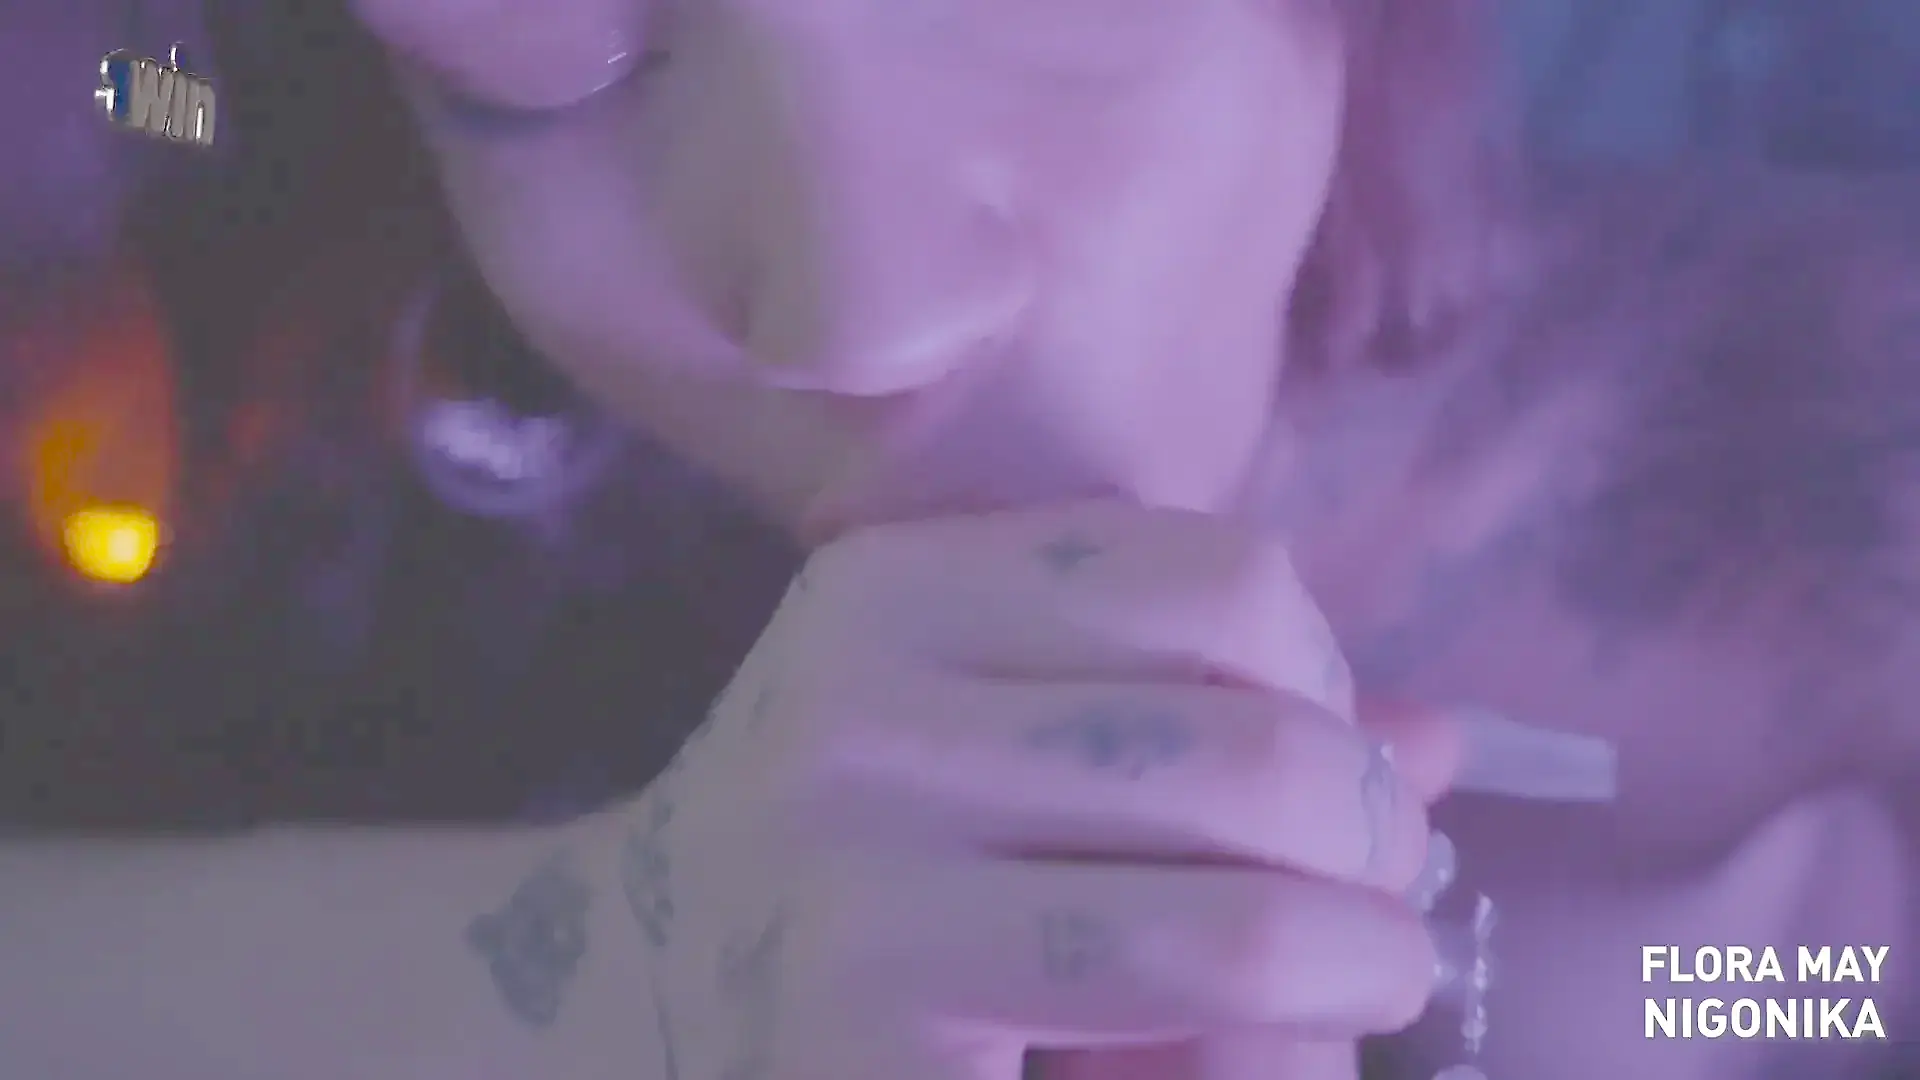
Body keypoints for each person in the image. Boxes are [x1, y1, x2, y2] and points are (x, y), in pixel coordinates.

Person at [3, 4, 1914, 1080]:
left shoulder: (1843, 519)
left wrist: (1703, 988)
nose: (858, 308)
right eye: (556, 63)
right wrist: (603, 981)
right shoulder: (215, 164)